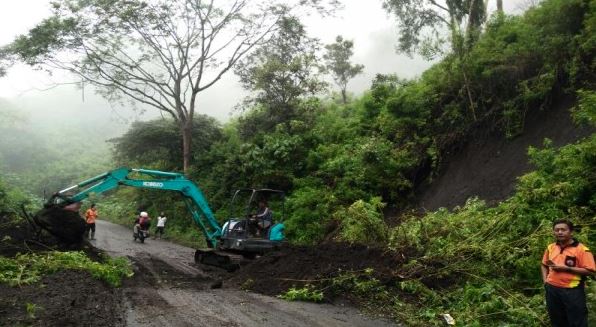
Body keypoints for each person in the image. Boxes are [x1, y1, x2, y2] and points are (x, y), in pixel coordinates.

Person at [541, 219, 595, 327]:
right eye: (557, 230)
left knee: (577, 322)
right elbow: (543, 264)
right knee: (557, 321)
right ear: (553, 232)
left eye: (563, 230)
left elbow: (591, 271)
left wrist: (567, 269)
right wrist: (545, 281)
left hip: (572, 291)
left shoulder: (582, 250)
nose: (560, 232)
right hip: (552, 289)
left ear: (571, 232)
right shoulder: (551, 247)